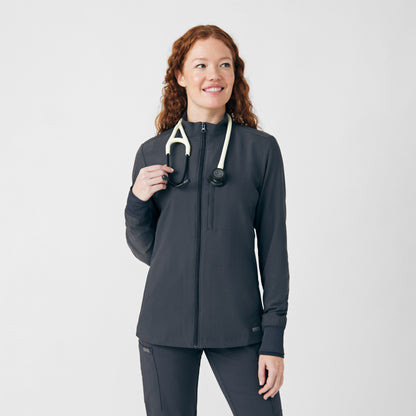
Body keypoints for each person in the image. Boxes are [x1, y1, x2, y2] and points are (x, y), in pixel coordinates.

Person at [124, 24, 290, 416]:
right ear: (180, 76)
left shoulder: (261, 151)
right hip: (165, 327)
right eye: (200, 65)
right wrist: (136, 200)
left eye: (224, 64)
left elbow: (274, 249)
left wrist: (273, 339)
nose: (213, 74)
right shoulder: (153, 152)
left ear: (235, 74)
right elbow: (148, 249)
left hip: (240, 327)